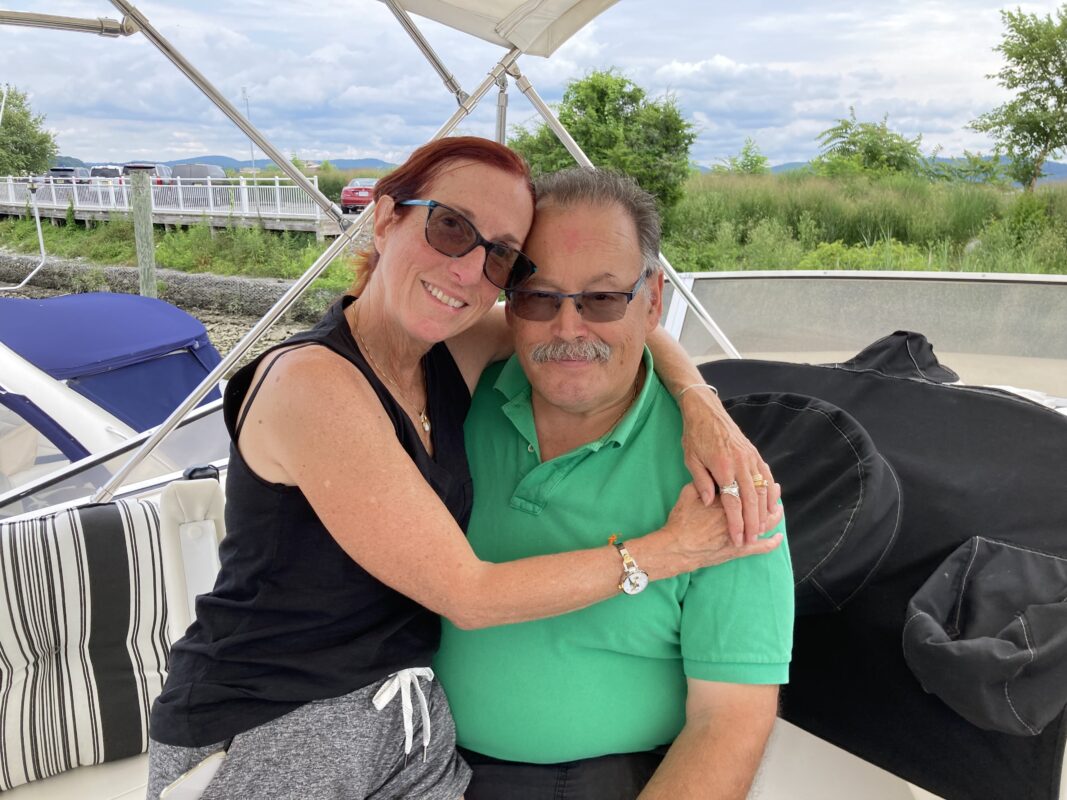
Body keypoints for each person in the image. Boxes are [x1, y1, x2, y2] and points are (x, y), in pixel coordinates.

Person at [146, 137, 782, 800]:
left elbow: (602, 314)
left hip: (407, 727)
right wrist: (667, 550)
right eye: (451, 228)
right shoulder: (314, 383)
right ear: (386, 217)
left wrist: (700, 401)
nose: (467, 270)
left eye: (500, 254)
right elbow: (466, 595)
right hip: (272, 715)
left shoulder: (451, 355)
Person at [434, 167, 795, 800]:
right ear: (510, 304)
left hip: (609, 779)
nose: (569, 329)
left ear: (652, 300)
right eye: (539, 297)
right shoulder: (456, 400)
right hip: (417, 757)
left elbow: (731, 716)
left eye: (602, 300)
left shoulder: (723, 474)